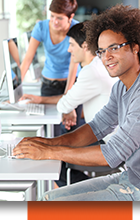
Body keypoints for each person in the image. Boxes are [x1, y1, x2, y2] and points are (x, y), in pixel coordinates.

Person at [13, 4, 140, 201]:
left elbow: (113, 154)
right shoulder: (122, 86)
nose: (107, 57)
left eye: (114, 48)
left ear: (136, 46)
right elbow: (96, 127)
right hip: (131, 177)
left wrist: (49, 151)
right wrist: (48, 142)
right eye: (102, 51)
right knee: (49, 198)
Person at [20, 22, 117, 186]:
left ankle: (92, 194)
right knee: (55, 144)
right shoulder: (97, 66)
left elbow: (64, 104)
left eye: (71, 45)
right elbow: (68, 100)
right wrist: (43, 100)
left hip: (107, 141)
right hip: (103, 133)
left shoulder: (92, 71)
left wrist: (69, 106)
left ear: (84, 46)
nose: (69, 50)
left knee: (52, 161)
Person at [20, 0, 82, 134]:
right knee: (51, 132)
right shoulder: (41, 27)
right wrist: (16, 87)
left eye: (59, 18)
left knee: (71, 132)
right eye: (52, 16)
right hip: (49, 85)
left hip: (72, 84)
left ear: (70, 17)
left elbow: (74, 65)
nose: (54, 21)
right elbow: (28, 58)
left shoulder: (77, 29)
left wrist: (69, 102)